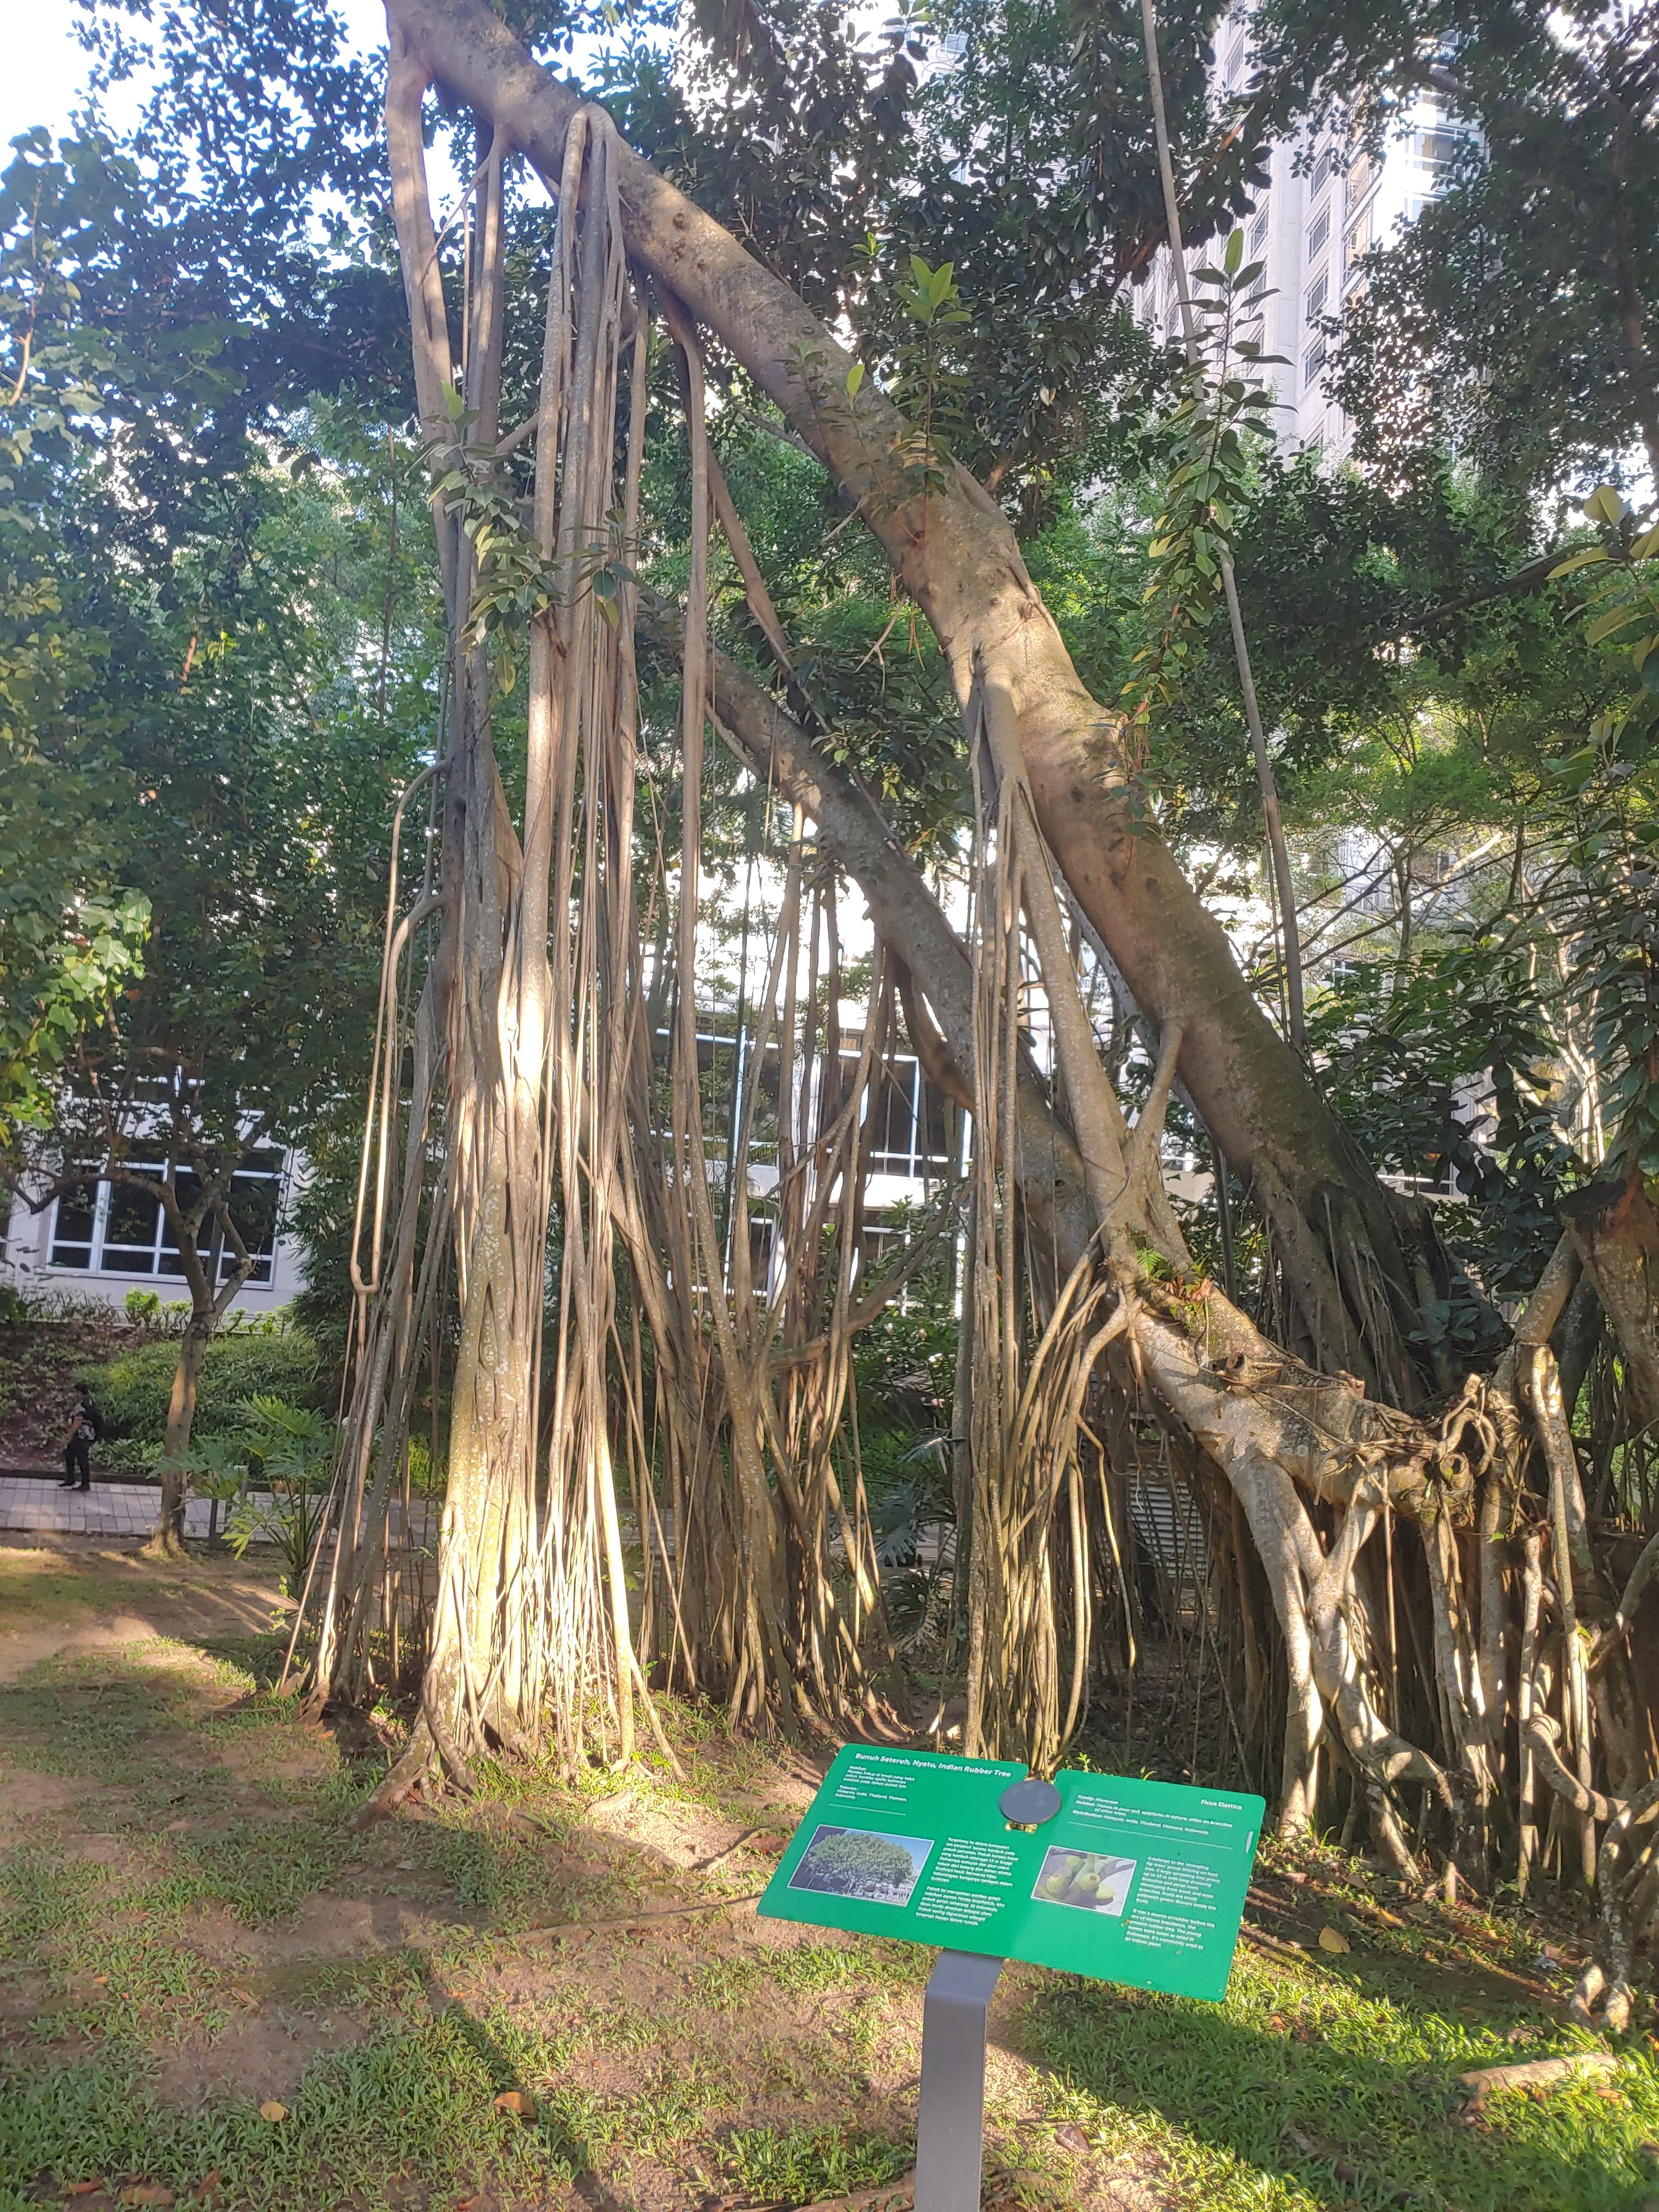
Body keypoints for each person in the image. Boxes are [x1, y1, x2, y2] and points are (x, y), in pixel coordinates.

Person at [61, 1381, 101, 1492]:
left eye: (75, 1392)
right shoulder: (89, 1402)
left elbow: (77, 1422)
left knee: (82, 1459)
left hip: (82, 1435)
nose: (74, 1395)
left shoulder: (83, 1405)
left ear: (80, 1393)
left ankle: (85, 1483)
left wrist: (67, 1437)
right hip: (84, 1435)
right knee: (69, 1454)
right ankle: (71, 1479)